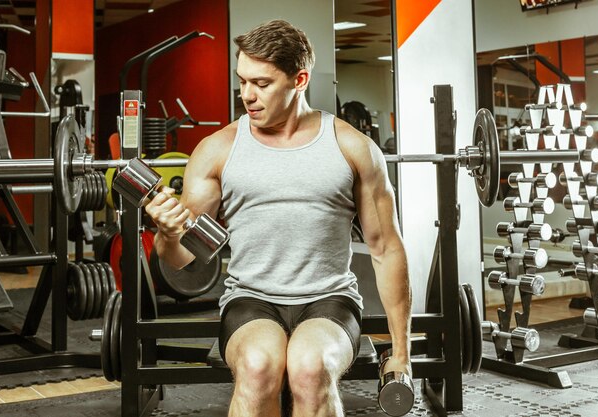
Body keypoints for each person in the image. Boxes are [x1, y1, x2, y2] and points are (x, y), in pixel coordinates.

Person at [146, 19, 412, 417]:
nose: (247, 96)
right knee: (257, 367)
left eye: (262, 84)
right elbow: (179, 258)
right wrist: (167, 233)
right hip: (251, 300)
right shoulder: (218, 150)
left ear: (299, 79)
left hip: (329, 300)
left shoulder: (352, 148)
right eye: (242, 81)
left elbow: (386, 248)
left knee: (310, 368)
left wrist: (402, 355)